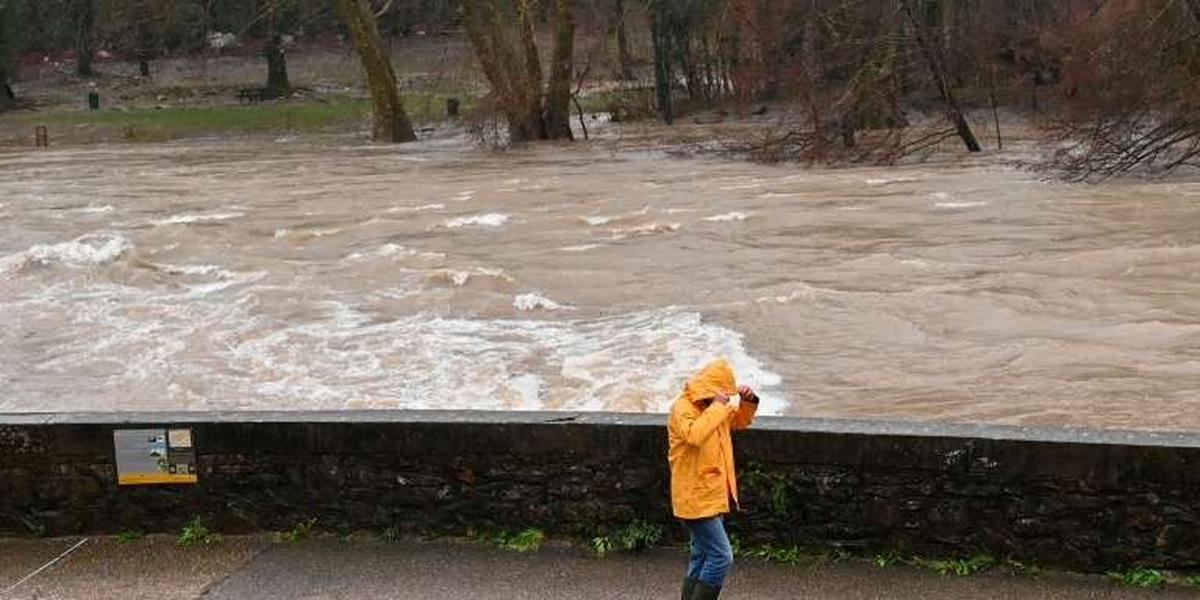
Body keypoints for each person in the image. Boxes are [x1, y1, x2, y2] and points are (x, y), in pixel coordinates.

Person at [667, 358, 759, 600]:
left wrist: (748, 401)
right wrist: (718, 406)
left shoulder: (714, 407)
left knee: (701, 555)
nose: (727, 399)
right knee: (721, 557)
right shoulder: (682, 408)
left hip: (711, 494)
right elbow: (694, 435)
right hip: (694, 498)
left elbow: (738, 421)